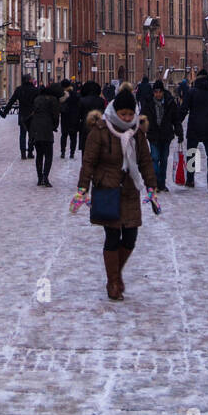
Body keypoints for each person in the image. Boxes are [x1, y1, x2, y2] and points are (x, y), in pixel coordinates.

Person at [72, 84, 158, 302]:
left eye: (130, 113)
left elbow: (145, 161)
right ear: (116, 111)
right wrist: (83, 189)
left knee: (130, 237)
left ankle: (116, 274)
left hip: (130, 189)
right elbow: (89, 162)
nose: (127, 117)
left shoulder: (137, 132)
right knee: (112, 236)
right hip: (107, 189)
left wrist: (151, 185)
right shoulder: (100, 130)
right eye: (124, 113)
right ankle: (113, 282)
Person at [180, 68, 208, 189]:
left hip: (194, 127)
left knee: (192, 154)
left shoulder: (191, 92)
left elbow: (184, 109)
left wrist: (177, 122)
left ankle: (191, 179)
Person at [145, 79, 183, 192]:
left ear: (163, 91)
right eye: (156, 92)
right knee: (155, 158)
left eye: (159, 92)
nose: (158, 94)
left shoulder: (170, 102)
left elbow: (175, 119)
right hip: (153, 135)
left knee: (164, 159)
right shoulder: (148, 103)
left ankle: (162, 183)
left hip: (166, 135)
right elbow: (143, 118)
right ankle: (155, 182)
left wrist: (179, 132)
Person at [30, 83, 63, 186]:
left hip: (36, 128)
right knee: (48, 155)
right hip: (47, 129)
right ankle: (45, 177)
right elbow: (56, 115)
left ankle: (40, 178)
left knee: (39, 155)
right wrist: (55, 126)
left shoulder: (37, 98)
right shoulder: (53, 99)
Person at [2, 75, 37, 160]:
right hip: (32, 115)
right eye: (32, 79)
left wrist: (5, 112)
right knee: (32, 134)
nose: (33, 80)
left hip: (22, 115)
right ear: (29, 80)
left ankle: (23, 153)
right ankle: (30, 152)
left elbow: (11, 101)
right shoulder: (35, 90)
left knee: (22, 134)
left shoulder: (19, 89)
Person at [77, 80, 106, 155]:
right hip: (98, 127)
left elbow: (78, 116)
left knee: (85, 151)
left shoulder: (82, 101)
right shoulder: (101, 101)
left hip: (85, 127)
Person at [59, 80, 82, 159]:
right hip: (74, 117)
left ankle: (63, 152)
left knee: (64, 136)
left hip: (65, 117)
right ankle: (72, 153)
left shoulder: (62, 95)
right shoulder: (75, 94)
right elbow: (79, 106)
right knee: (73, 136)